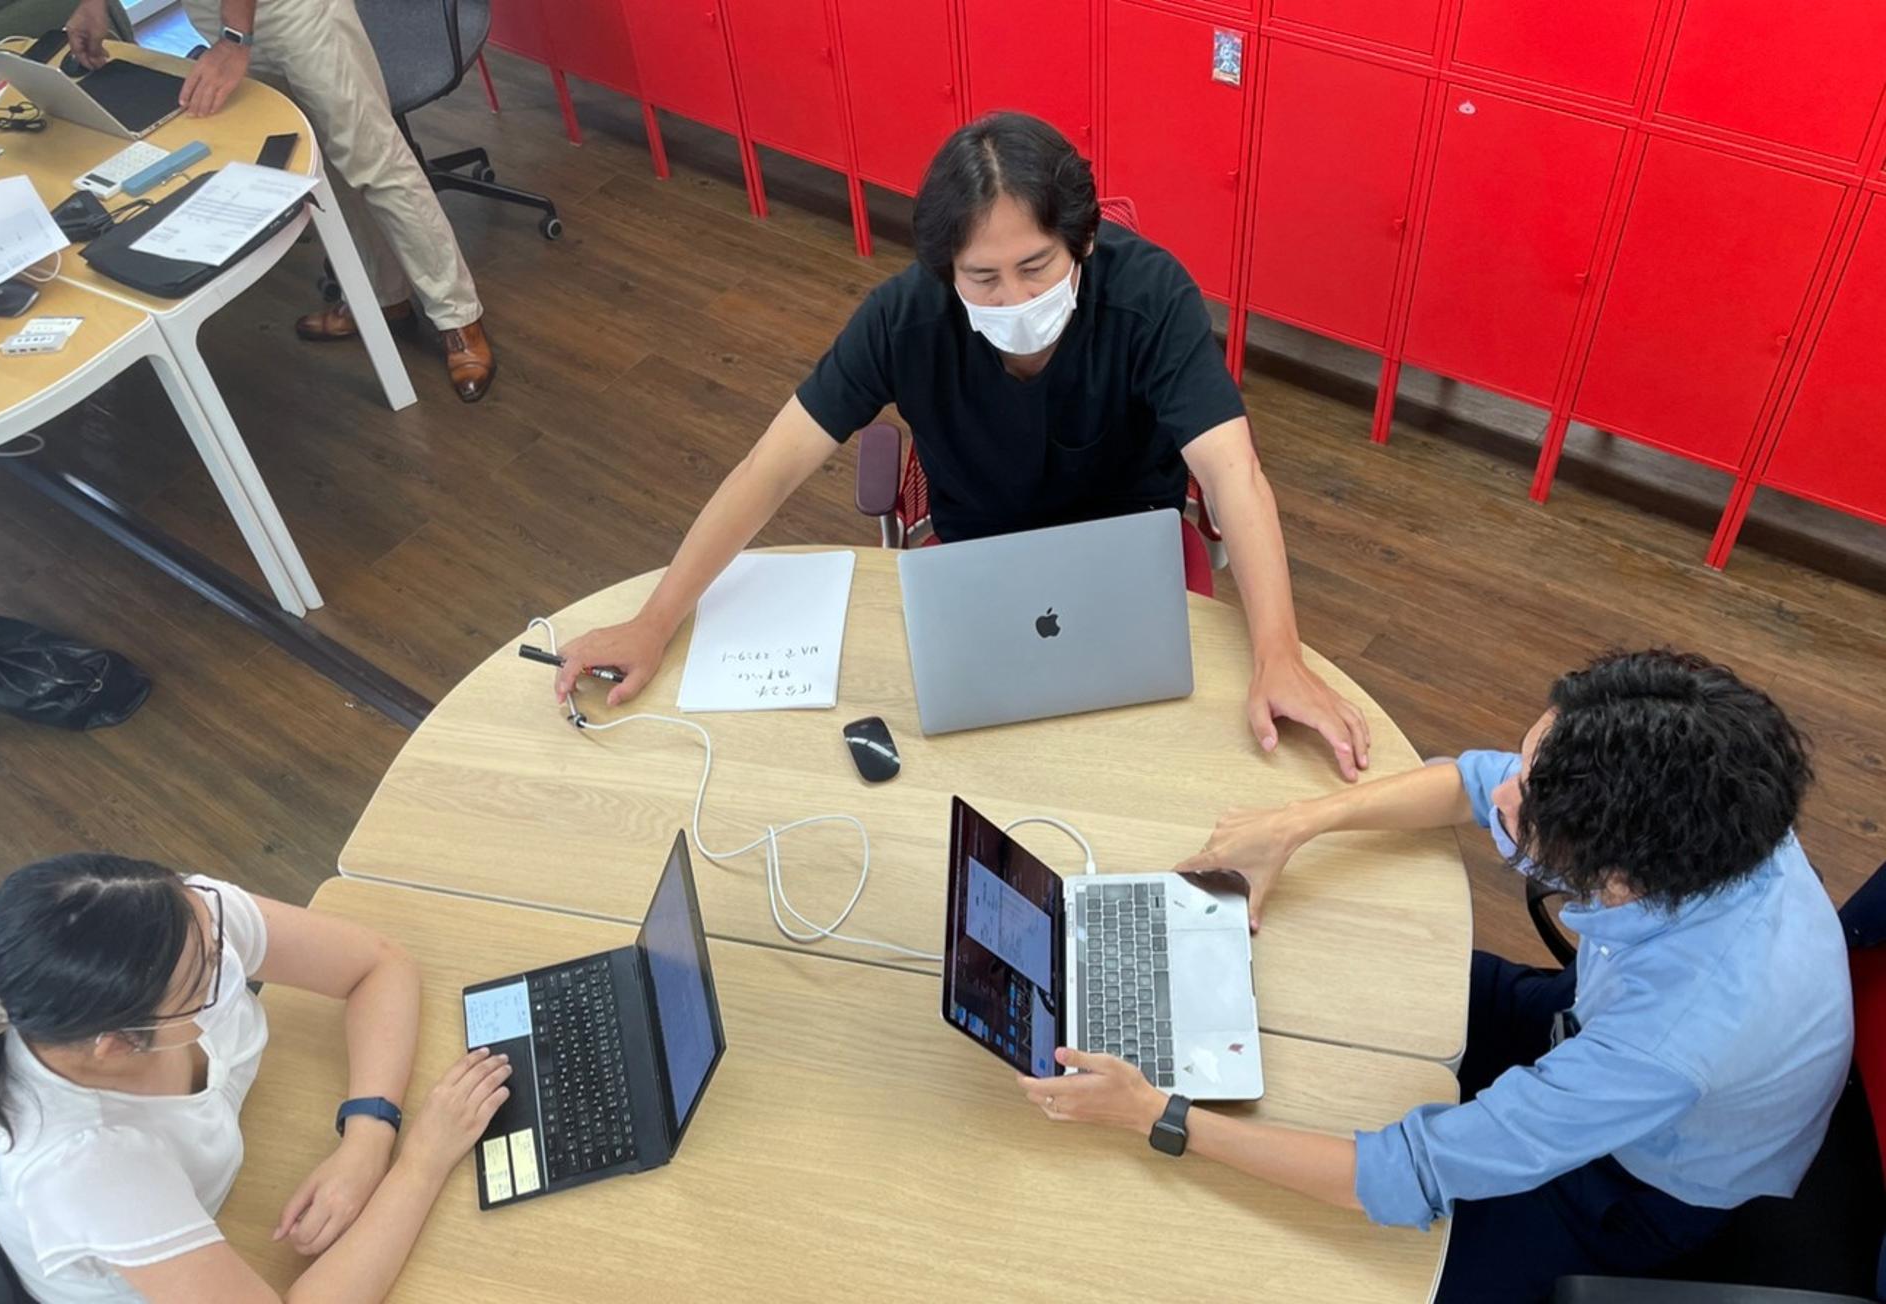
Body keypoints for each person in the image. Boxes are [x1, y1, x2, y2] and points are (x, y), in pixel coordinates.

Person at [1014, 649, 1852, 1303]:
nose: (1505, 789)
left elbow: (1405, 1174)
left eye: (1527, 802)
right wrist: (1294, 825)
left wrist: (1159, 1115)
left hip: (1634, 1184)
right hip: (1589, 1017)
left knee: (1301, 1261)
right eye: (1529, 759)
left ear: (1621, 878)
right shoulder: (1716, 802)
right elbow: (1471, 781)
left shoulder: (1676, 1035)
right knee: (1347, 959)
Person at [556, 112, 1371, 781]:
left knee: (1149, 766)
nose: (1013, 299)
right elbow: (768, 470)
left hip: (1127, 555)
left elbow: (1234, 475)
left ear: (1083, 241)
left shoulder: (1150, 295)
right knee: (967, 770)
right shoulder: (904, 318)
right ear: (946, 269)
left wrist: (1279, 655)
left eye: (1036, 266)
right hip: (976, 563)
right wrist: (655, 621)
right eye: (983, 277)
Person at [0, 854, 512, 1303]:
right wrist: (421, 1163)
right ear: (118, 1045)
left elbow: (378, 962)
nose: (225, 952)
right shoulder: (82, 1168)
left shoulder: (174, 925)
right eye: (207, 976)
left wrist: (368, 1139)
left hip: (240, 1169)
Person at [63, 0, 498, 402]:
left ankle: (457, 317)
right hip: (218, 15)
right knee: (315, 161)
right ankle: (384, 299)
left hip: (293, 11)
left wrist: (235, 39)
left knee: (374, 160)